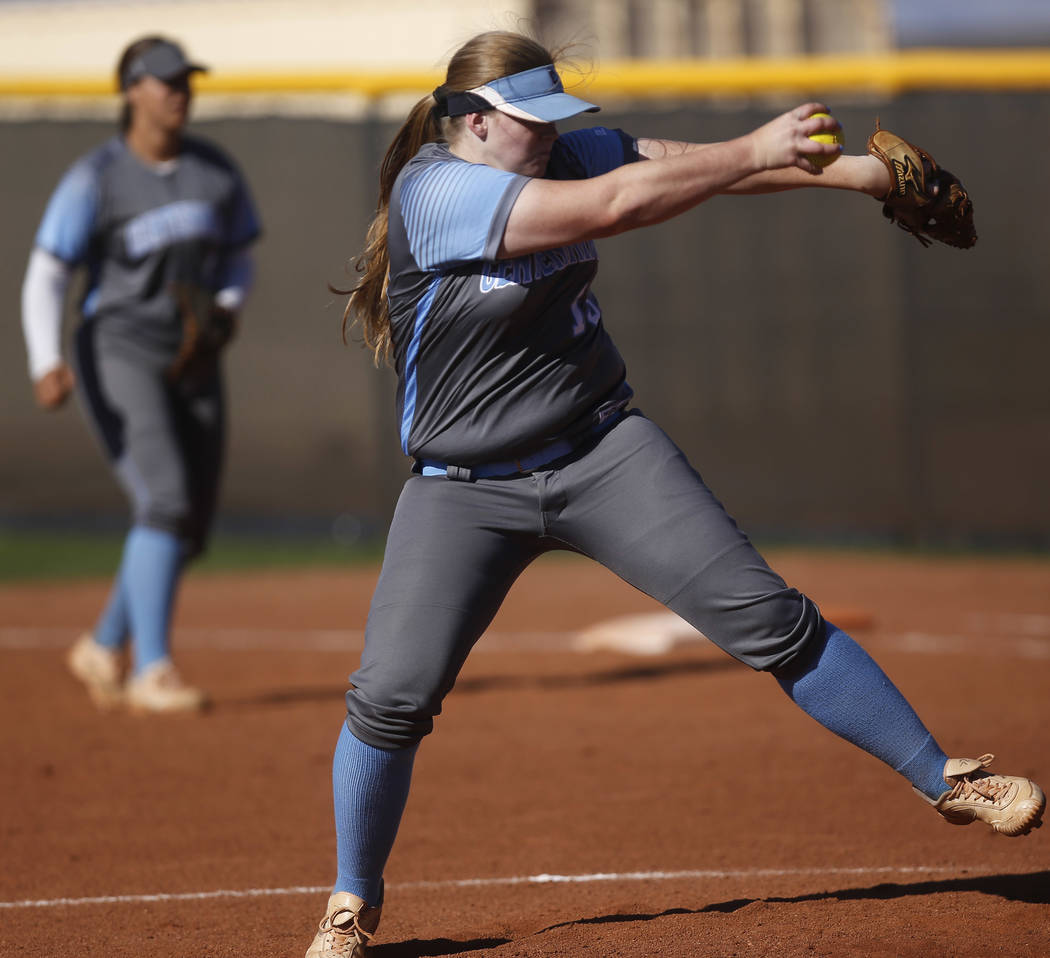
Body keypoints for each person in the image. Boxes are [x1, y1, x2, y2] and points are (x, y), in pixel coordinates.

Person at [304, 30, 1044, 957]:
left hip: (601, 451)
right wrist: (755, 146)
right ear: (472, 123)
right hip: (464, 490)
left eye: (554, 120)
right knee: (392, 699)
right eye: (530, 122)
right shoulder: (437, 192)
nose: (550, 138)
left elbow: (690, 170)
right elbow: (618, 203)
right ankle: (350, 904)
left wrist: (858, 175)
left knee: (769, 618)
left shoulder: (560, 151)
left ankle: (945, 776)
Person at [20, 36, 261, 713]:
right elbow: (47, 274)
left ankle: (101, 645)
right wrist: (47, 360)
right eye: (164, 82)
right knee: (163, 497)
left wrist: (226, 306)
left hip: (194, 356)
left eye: (186, 80)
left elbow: (240, 255)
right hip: (119, 350)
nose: (179, 91)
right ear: (131, 90)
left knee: (187, 523)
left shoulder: (215, 170)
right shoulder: (96, 177)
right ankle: (151, 670)